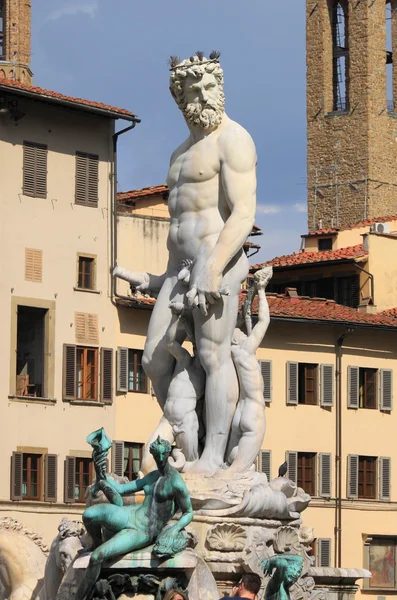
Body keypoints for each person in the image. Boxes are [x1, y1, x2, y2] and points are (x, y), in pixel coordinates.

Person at [115, 53, 257, 476]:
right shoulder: (178, 156)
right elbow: (180, 225)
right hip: (178, 272)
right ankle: (187, 444)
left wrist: (212, 267)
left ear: (220, 88)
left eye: (208, 86)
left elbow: (243, 212)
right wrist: (156, 279)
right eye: (191, 90)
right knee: (153, 361)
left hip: (218, 263)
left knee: (214, 358)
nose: (201, 95)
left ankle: (213, 457)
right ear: (179, 98)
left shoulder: (233, 139)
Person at [75, 437, 193, 600]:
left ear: (167, 454)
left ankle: (80, 596)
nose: (159, 459)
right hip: (130, 514)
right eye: (155, 455)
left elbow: (189, 512)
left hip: (143, 530)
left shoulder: (176, 483)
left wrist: (175, 528)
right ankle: (97, 541)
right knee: (89, 515)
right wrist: (101, 473)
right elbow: (122, 489)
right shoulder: (152, 476)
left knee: (96, 557)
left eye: (161, 455)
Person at [220, 266, 272, 478]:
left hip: (238, 414)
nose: (244, 333)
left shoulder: (232, 353)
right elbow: (264, 321)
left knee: (229, 462)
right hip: (253, 410)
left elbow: (245, 321)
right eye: (241, 333)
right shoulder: (246, 351)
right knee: (236, 473)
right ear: (238, 339)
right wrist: (261, 290)